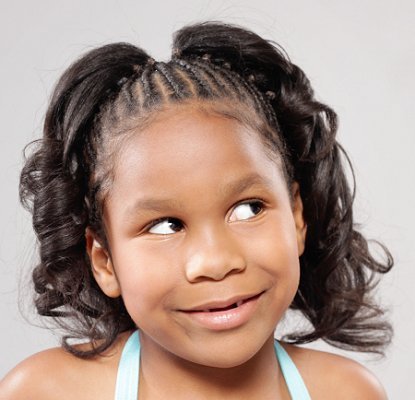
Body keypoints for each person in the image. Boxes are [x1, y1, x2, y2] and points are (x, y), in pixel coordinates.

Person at [0, 21, 392, 399]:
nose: (216, 261)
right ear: (104, 261)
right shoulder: (45, 392)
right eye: (166, 225)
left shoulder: (346, 391)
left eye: (248, 209)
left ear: (296, 217)